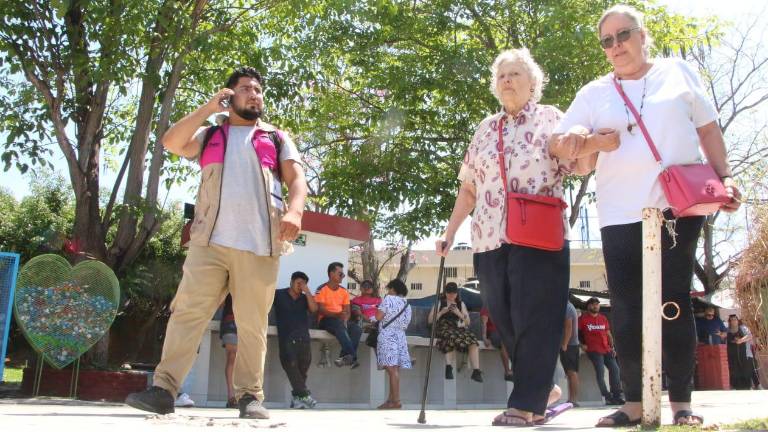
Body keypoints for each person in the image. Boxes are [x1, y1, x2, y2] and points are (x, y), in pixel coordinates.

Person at [550, 4, 741, 426]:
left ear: (641, 35)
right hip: (619, 213)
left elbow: (708, 129)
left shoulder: (677, 73)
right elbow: (561, 146)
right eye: (607, 41)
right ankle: (633, 404)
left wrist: (725, 177)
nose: (616, 46)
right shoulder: (594, 92)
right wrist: (592, 142)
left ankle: (682, 405)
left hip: (678, 208)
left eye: (623, 35)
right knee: (628, 306)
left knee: (672, 301)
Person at [125, 67, 307, 419]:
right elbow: (171, 142)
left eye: (258, 89)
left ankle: (250, 396)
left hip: (260, 246)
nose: (254, 94)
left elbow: (296, 178)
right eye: (245, 89)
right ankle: (163, 390)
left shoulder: (275, 137)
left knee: (252, 324)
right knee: (186, 315)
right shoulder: (210, 135)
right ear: (229, 96)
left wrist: (295, 212)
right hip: (208, 242)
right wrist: (208, 108)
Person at [437, 47, 575, 426]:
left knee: (536, 318)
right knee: (503, 318)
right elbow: (468, 188)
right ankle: (543, 387)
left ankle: (526, 403)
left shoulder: (553, 118)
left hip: (538, 236)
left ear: (534, 83)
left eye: (515, 74)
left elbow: (578, 163)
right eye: (501, 76)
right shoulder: (485, 128)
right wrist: (450, 232)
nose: (508, 80)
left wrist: (590, 142)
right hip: (488, 238)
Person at [273, 271, 319, 408]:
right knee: (291, 367)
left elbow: (314, 309)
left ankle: (297, 399)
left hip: (303, 337)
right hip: (286, 337)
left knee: (302, 370)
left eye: (303, 284)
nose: (300, 286)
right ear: (291, 281)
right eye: (298, 283)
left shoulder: (305, 298)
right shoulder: (278, 294)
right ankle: (305, 395)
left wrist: (308, 292)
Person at [427, 283, 483, 383]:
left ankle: (476, 371)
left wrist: (459, 313)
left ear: (457, 294)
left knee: (473, 340)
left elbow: (468, 322)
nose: (451, 295)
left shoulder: (461, 304)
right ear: (446, 293)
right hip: (443, 326)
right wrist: (441, 313)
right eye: (449, 293)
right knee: (450, 336)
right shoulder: (440, 303)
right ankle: (449, 367)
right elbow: (430, 320)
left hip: (457, 328)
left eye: (453, 293)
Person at [375, 279, 413, 410]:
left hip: (388, 335)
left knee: (391, 369)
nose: (388, 291)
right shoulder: (407, 305)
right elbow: (406, 323)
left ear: (393, 289)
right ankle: (390, 400)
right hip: (401, 337)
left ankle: (396, 400)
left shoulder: (388, 299)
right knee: (395, 369)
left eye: (389, 288)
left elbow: (378, 316)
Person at [315, 262, 362, 368]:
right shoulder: (321, 289)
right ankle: (353, 357)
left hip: (340, 320)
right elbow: (321, 310)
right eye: (340, 274)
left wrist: (345, 319)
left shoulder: (344, 291)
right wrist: (337, 315)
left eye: (343, 274)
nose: (343, 276)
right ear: (331, 274)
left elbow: (347, 311)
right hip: (326, 320)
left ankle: (344, 357)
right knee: (338, 324)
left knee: (357, 329)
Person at [578, 297, 624, 405]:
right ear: (588, 306)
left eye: (597, 304)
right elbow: (577, 334)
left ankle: (617, 396)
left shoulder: (603, 318)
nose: (595, 306)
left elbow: (608, 334)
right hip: (593, 349)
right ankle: (607, 396)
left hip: (606, 349)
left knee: (615, 370)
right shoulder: (582, 319)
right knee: (600, 373)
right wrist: (582, 345)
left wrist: (612, 347)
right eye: (593, 304)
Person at [480, 306, 512, 381]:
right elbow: (483, 323)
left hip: (503, 333)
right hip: (493, 333)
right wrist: (484, 338)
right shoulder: (486, 308)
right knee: (504, 342)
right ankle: (507, 372)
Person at [560, 301, 580, 406]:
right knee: (569, 373)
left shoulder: (567, 307)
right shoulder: (568, 306)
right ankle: (571, 399)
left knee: (572, 372)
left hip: (570, 345)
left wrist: (564, 344)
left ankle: (573, 400)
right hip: (570, 345)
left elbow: (569, 327)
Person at [219, 294, 238, 408]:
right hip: (231, 320)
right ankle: (231, 396)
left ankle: (241, 395)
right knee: (232, 356)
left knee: (244, 360)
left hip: (248, 322)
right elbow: (220, 303)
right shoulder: (229, 281)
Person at [726, 314, 755, 390]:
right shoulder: (727, 330)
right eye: (731, 320)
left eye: (735, 319)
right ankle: (736, 388)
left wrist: (741, 340)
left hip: (745, 355)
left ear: (738, 321)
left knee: (746, 371)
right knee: (735, 372)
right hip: (733, 357)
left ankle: (749, 387)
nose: (733, 321)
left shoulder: (743, 328)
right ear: (729, 321)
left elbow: (749, 336)